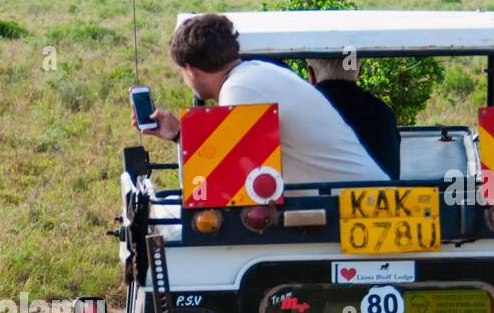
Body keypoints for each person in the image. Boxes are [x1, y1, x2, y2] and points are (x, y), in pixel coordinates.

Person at [136, 13, 388, 185]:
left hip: (353, 205)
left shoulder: (240, 89)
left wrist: (181, 137)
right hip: (354, 198)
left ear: (190, 69)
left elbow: (230, 179)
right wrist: (179, 134)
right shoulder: (256, 73)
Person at [304, 57, 401, 180]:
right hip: (377, 197)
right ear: (360, 71)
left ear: (311, 74)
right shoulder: (382, 112)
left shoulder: (302, 109)